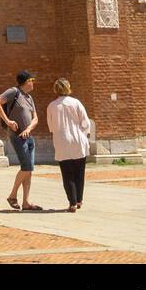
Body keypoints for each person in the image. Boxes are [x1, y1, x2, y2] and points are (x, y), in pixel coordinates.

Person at [0, 70, 42, 211]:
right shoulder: (14, 92)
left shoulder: (29, 98)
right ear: (27, 82)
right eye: (32, 81)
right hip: (17, 136)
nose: (33, 83)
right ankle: (12, 195)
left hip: (29, 137)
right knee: (26, 167)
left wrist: (29, 129)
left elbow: (36, 118)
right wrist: (8, 121)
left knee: (29, 169)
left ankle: (26, 202)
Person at [46, 77, 92, 212]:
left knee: (67, 173)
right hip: (78, 139)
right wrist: (85, 134)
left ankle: (72, 202)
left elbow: (51, 126)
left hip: (62, 140)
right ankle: (79, 200)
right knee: (79, 172)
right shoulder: (76, 103)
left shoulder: (52, 106)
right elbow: (86, 122)